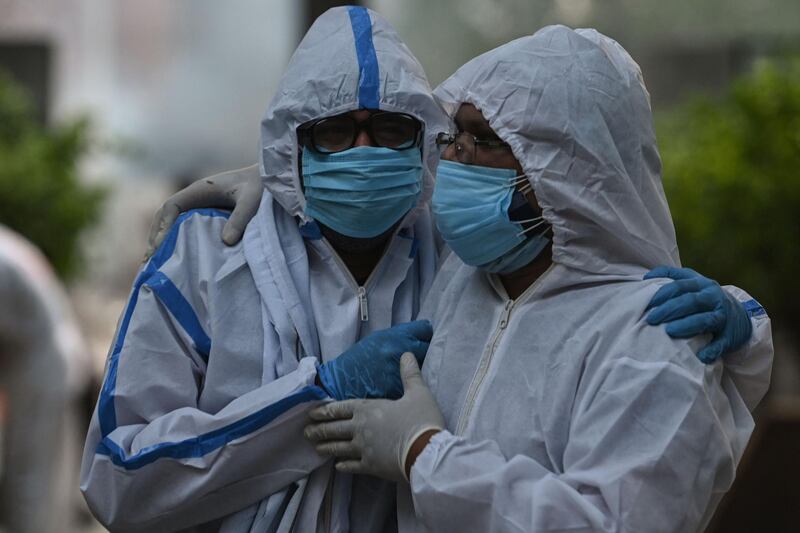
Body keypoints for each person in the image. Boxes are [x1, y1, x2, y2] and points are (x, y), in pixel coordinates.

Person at [303, 26, 773, 532]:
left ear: (567, 169)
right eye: (455, 135)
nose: (456, 157)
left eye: (484, 140)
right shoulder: (464, 280)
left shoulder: (654, 334)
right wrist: (272, 181)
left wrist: (425, 454)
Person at [80, 7, 447, 531]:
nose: (365, 153)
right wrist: (314, 402)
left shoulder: (455, 260)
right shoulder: (206, 255)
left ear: (426, 141)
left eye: (391, 129)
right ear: (292, 144)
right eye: (335, 131)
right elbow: (117, 480)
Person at [0, 225, 91, 532]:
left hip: (38, 369)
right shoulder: (8, 244)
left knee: (31, 479)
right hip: (50, 360)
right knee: (46, 477)